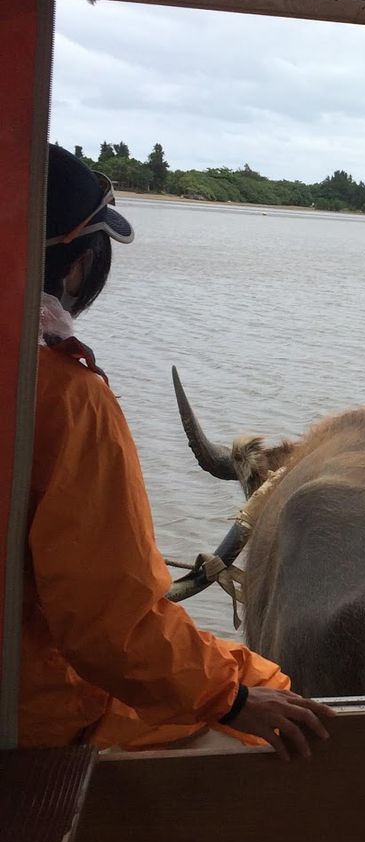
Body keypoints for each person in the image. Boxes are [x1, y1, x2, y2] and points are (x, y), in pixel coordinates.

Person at [20, 143, 330, 760]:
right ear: (77, 266)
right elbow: (109, 625)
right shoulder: (62, 397)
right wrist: (237, 699)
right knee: (273, 689)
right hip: (27, 710)